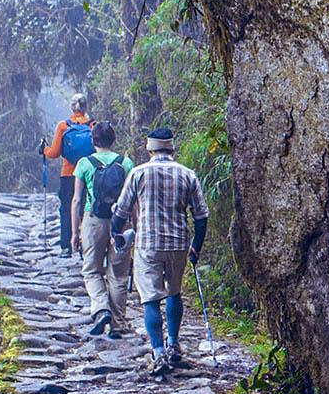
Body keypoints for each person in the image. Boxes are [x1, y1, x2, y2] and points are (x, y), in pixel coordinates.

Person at [109, 127, 208, 371]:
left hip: (148, 245)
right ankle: (174, 343)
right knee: (174, 293)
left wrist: (115, 233)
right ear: (172, 148)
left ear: (149, 148)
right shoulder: (187, 175)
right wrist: (196, 245)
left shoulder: (138, 173)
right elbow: (201, 215)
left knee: (150, 299)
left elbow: (122, 210)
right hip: (178, 243)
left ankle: (158, 352)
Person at [70, 120, 134, 337]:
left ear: (93, 141)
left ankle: (101, 309)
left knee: (91, 270)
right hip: (120, 221)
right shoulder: (125, 163)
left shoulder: (84, 164)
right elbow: (131, 199)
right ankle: (118, 324)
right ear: (113, 139)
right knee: (118, 273)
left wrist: (74, 231)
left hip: (93, 220)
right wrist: (135, 225)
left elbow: (77, 200)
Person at [42, 94, 94, 255]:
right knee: (86, 208)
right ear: (85, 107)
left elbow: (54, 153)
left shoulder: (63, 126)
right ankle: (85, 245)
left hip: (68, 174)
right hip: (88, 173)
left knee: (66, 208)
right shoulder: (93, 125)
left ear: (72, 107)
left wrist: (43, 148)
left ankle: (66, 246)